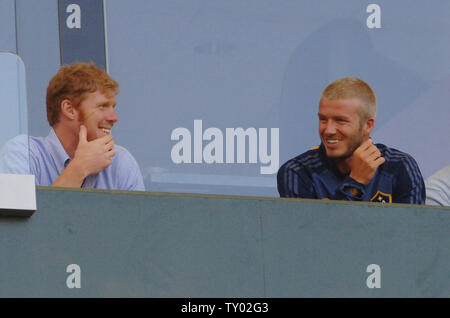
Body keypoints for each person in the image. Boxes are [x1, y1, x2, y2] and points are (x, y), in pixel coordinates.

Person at [277, 77, 424, 204]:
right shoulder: (298, 172)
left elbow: (413, 233)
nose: (328, 130)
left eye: (340, 121)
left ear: (368, 125)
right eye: (323, 119)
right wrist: (355, 184)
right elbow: (310, 235)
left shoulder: (399, 167)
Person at [0, 62, 145, 191]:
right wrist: (80, 167)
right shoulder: (24, 153)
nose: (114, 118)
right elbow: (20, 221)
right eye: (102, 106)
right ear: (69, 109)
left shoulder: (120, 161)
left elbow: (140, 221)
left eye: (113, 107)